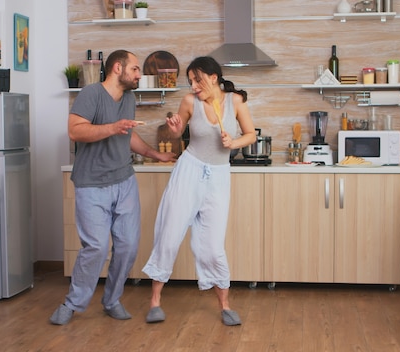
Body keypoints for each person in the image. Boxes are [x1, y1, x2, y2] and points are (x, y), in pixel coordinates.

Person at [50, 49, 176, 326]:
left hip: (124, 180)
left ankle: (111, 300)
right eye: (134, 69)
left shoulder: (129, 98)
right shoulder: (91, 94)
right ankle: (72, 304)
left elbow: (127, 133)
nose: (138, 75)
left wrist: (157, 155)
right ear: (117, 68)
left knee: (128, 246)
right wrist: (112, 127)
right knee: (95, 248)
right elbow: (75, 131)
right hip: (92, 184)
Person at [142, 56, 256, 326]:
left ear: (214, 77)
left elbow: (251, 134)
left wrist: (234, 141)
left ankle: (225, 306)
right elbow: (178, 130)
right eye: (190, 81)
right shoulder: (189, 102)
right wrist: (174, 128)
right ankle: (155, 302)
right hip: (189, 170)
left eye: (198, 79)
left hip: (218, 175)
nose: (193, 85)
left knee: (213, 245)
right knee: (169, 235)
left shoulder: (235, 102)